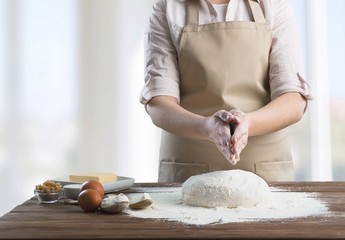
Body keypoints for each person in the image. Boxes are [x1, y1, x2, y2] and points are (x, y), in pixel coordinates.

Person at [140, 0, 312, 183]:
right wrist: (207, 127)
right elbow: (159, 103)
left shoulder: (273, 4)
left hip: (266, 171)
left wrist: (249, 124)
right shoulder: (168, 7)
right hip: (188, 170)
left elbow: (293, 100)